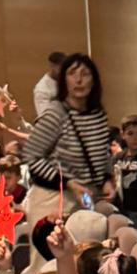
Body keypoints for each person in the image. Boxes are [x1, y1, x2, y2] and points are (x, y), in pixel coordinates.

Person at [22, 53, 113, 224]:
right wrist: (68, 182)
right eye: (72, 74)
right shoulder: (55, 113)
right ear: (64, 81)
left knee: (86, 249)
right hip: (52, 199)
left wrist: (107, 179)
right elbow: (32, 158)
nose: (79, 80)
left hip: (86, 197)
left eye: (85, 74)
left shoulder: (98, 115)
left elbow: (102, 153)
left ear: (94, 80)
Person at [33, 49, 65, 117]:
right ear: (52, 66)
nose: (63, 72)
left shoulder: (67, 80)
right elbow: (44, 116)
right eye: (61, 68)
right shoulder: (42, 89)